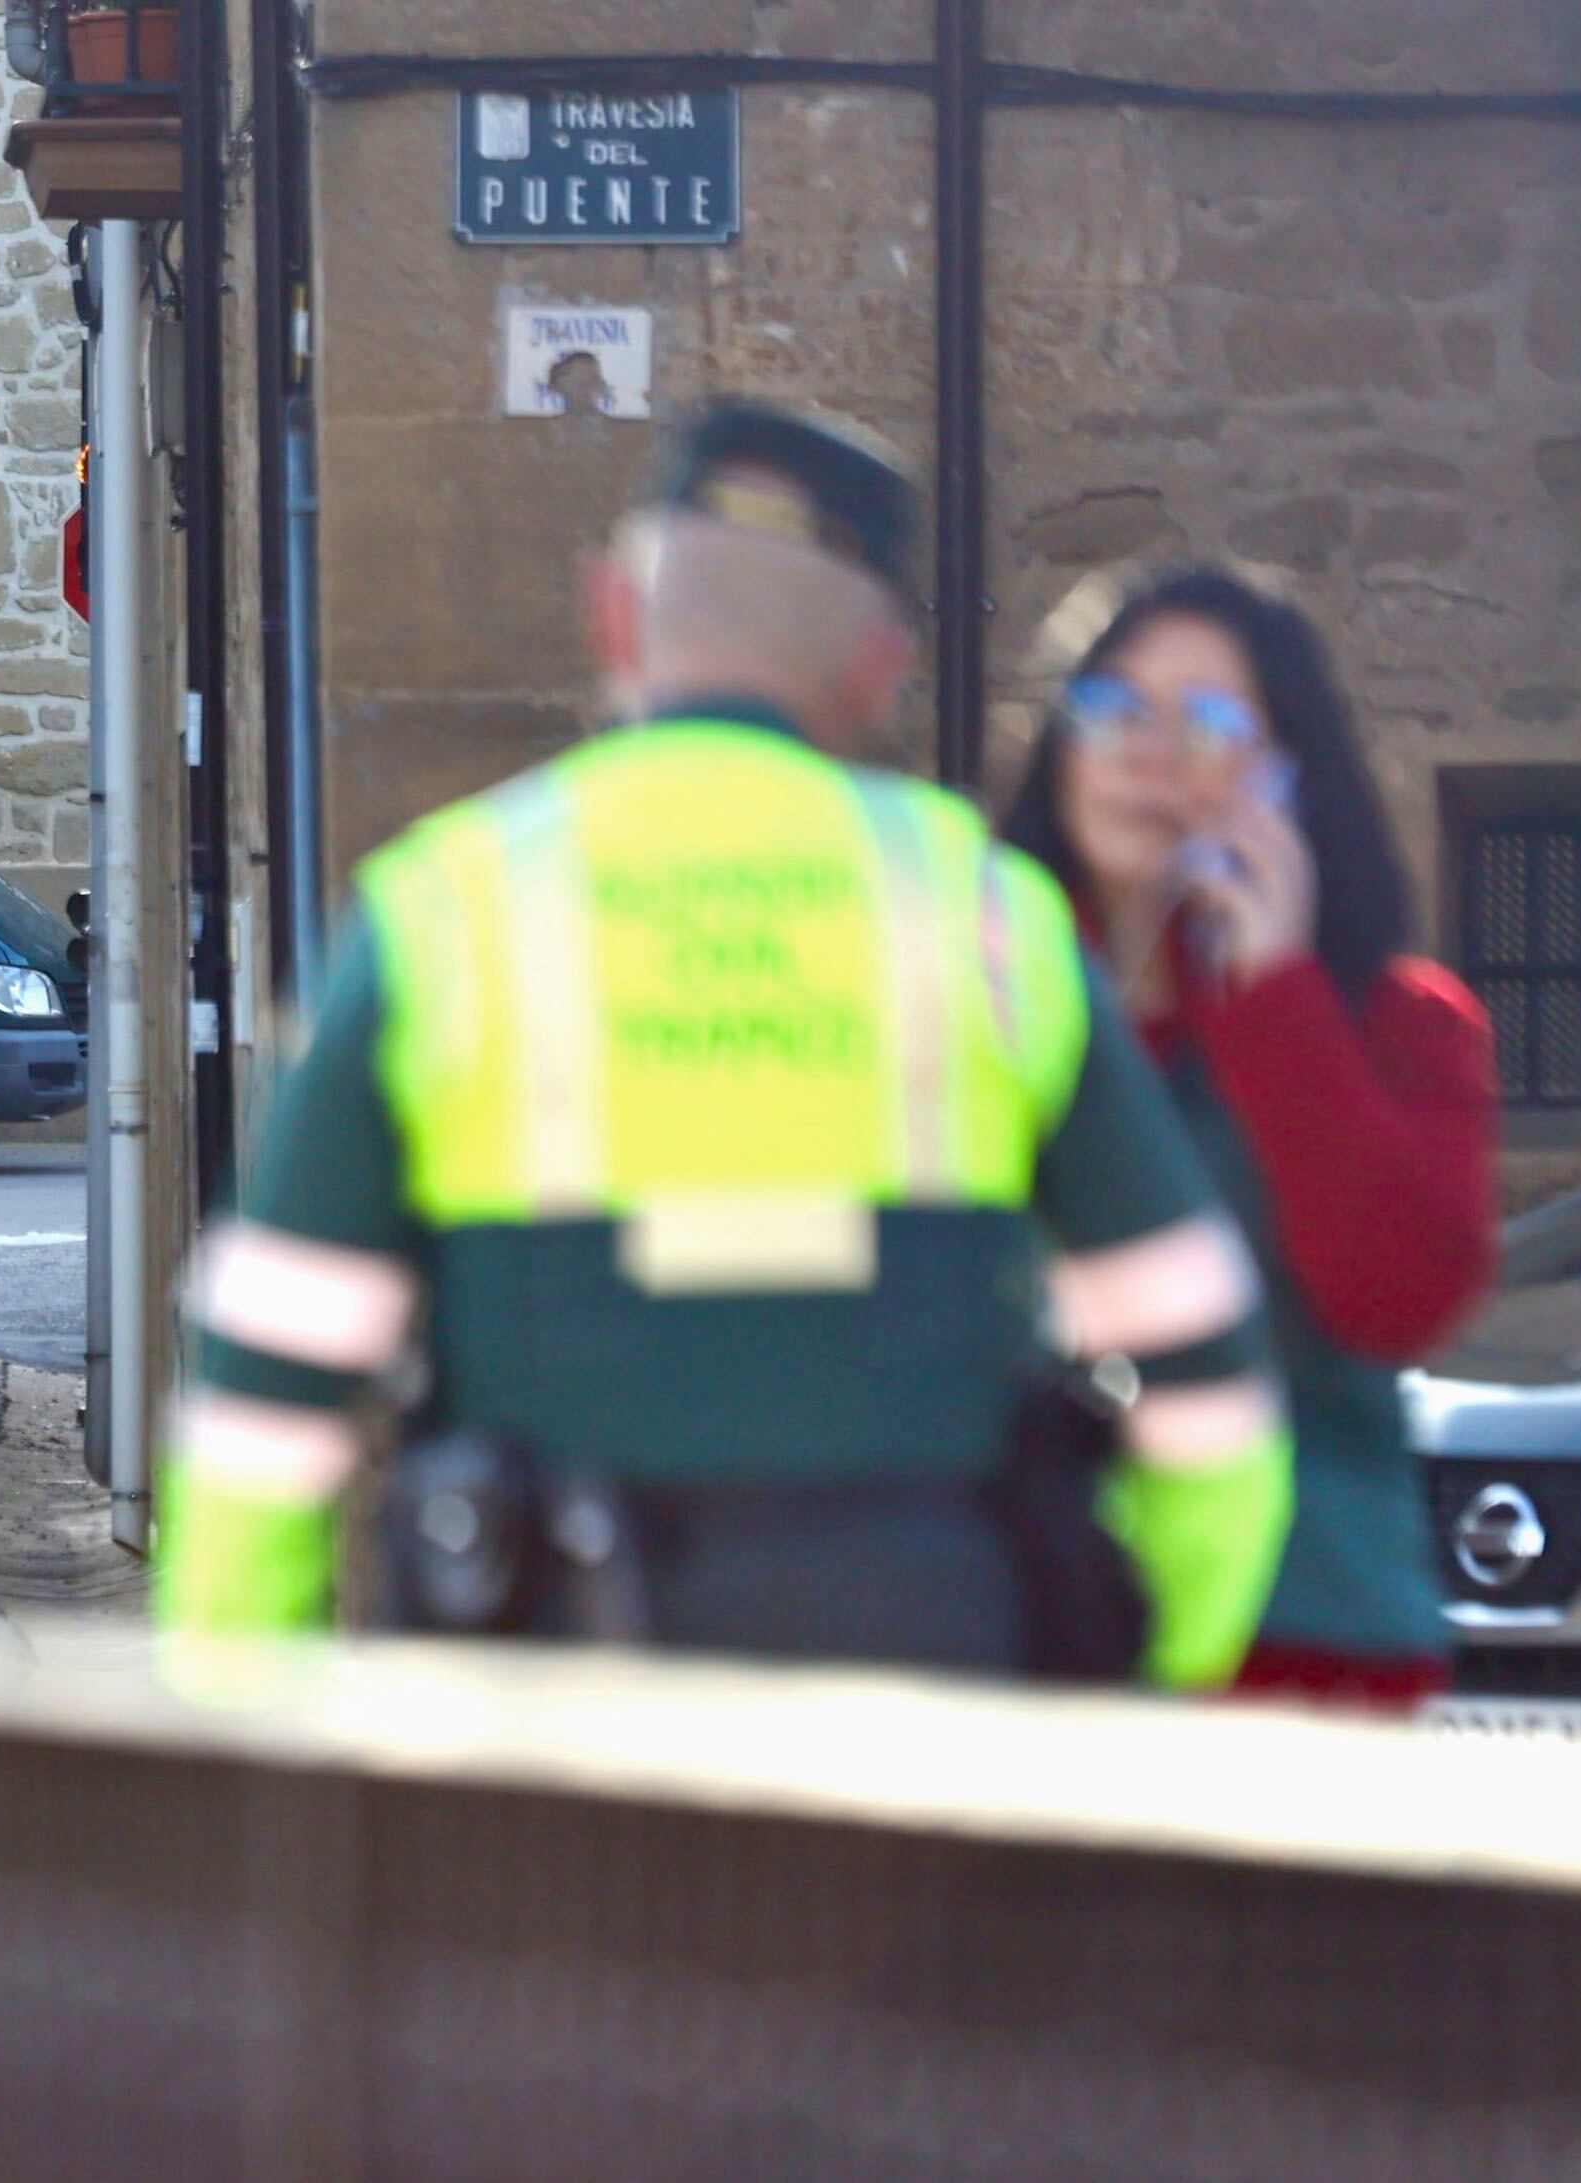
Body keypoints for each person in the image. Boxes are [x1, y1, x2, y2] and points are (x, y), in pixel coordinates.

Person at [158, 401, 1295, 1689]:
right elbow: (1209, 1397)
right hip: (937, 1729)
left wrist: (255, 1748)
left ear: (613, 614)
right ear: (879, 663)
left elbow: (264, 1397)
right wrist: (1138, 1677)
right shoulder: (988, 913)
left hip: (538, 1740)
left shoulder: (444, 909)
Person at [1000, 564, 1497, 1708]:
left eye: (1211, 720)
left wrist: (1273, 998)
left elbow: (1400, 1296)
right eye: (1113, 708)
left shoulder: (1401, 1025)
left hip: (1304, 1648)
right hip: (1032, 1636)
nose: (1148, 748)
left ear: (1287, 777)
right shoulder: (988, 995)